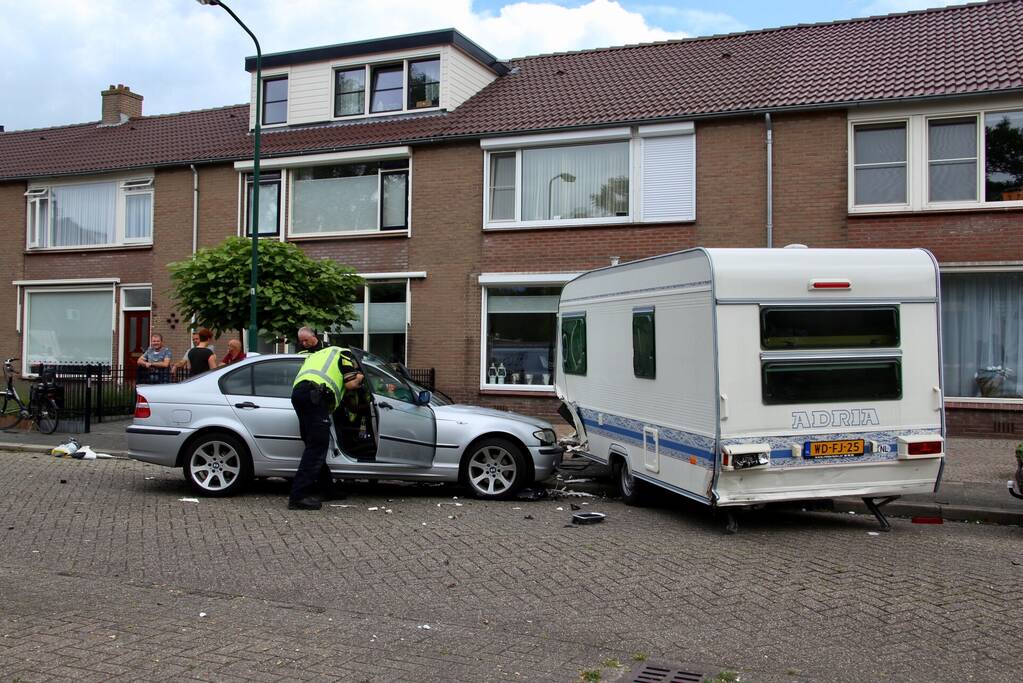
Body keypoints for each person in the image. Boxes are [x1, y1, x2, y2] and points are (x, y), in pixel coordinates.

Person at [288, 345, 364, 510]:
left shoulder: (320, 355)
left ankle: (327, 489)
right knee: (317, 447)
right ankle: (298, 497)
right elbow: (351, 384)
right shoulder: (344, 354)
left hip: (301, 394)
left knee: (313, 444)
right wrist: (360, 376)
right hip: (315, 395)